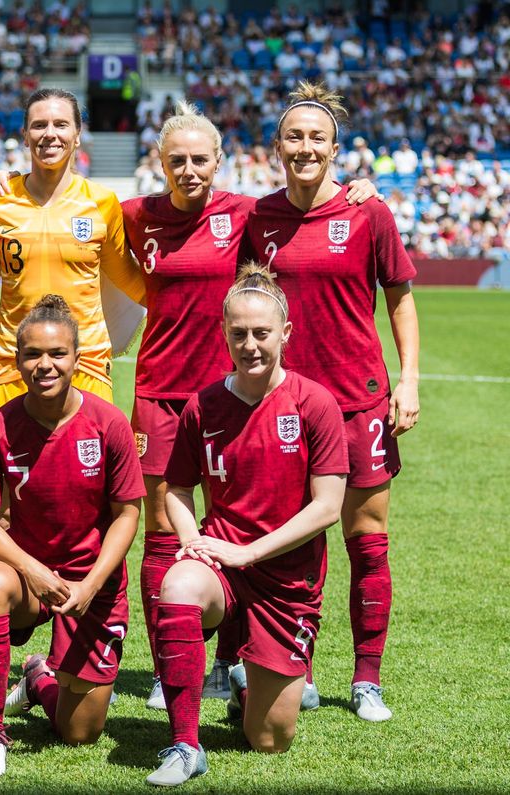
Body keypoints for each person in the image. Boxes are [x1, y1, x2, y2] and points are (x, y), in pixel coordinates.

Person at [121, 102, 380, 711]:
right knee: (163, 531)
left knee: (243, 520)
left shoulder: (244, 214)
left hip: (229, 391)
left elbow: (307, 205)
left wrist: (358, 189)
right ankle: (169, 668)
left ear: (220, 162)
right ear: (158, 162)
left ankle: (242, 660)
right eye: (176, 159)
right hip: (160, 390)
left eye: (200, 159)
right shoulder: (129, 216)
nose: (188, 169)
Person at [243, 82, 419, 723]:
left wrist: (410, 379)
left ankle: (366, 679)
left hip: (359, 401)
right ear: (277, 147)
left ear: (335, 148)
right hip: (286, 407)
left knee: (366, 540)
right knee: (292, 544)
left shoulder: (369, 213)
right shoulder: (258, 219)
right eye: (295, 137)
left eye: (317, 137)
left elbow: (399, 297)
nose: (306, 147)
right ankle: (300, 665)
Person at [146, 264, 347, 787]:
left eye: (262, 333)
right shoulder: (204, 405)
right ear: (224, 334)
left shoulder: (314, 403)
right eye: (239, 334)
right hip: (224, 564)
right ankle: (186, 744)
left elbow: (327, 506)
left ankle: (242, 683)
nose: (250, 345)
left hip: (287, 580)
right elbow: (177, 489)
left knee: (270, 739)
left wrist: (251, 552)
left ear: (286, 333)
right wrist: (192, 540)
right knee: (177, 585)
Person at [0, 295, 144, 777]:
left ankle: (40, 676)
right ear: (17, 359)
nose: (45, 365)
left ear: (77, 357)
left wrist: (90, 584)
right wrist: (33, 569)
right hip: (30, 578)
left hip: (91, 583)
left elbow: (128, 515)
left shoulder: (108, 424)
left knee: (78, 731)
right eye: (32, 355)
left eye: (57, 354)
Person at [0, 88, 147, 421]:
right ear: (25, 135)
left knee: (86, 472)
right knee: (5, 472)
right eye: (39, 125)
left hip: (85, 362)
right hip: (11, 362)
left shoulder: (102, 203)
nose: (50, 134)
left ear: (77, 135)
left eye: (61, 124)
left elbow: (131, 281)